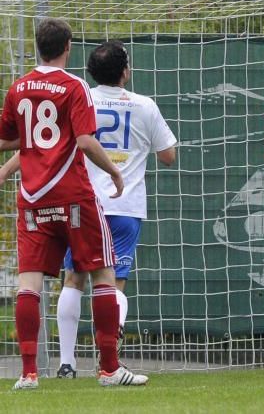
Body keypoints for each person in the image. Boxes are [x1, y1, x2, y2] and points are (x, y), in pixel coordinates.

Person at [0, 40, 177, 378]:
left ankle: (66, 363)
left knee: (73, 279)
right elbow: (168, 155)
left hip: (75, 199)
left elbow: (43, 142)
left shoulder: (79, 95)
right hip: (123, 204)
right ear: (125, 71)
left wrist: (8, 169)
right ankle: (110, 354)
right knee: (113, 281)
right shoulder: (144, 105)